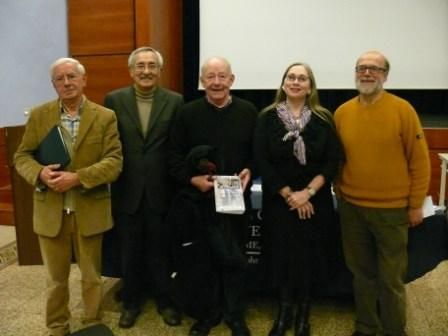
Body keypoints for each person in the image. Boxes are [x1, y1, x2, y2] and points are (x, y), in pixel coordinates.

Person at [14, 57, 123, 336]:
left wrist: (78, 178)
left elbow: (114, 161)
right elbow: (22, 156)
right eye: (60, 79)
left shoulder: (104, 116)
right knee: (55, 279)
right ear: (53, 85)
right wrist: (39, 174)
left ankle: (92, 324)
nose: (67, 83)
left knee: (91, 278)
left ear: (84, 80)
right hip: (51, 212)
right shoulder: (39, 115)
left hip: (90, 210)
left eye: (72, 76)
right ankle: (57, 327)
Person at [334, 50, 431, 336]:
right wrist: (340, 190)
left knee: (390, 280)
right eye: (361, 68)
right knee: (361, 275)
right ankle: (366, 327)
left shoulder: (403, 110)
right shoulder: (342, 112)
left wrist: (415, 205)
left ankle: (393, 330)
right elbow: (338, 159)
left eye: (374, 69)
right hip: (351, 209)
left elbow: (420, 161)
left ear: (385, 75)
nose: (366, 73)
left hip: (392, 211)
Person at [168, 57, 257, 336]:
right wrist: (192, 179)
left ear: (232, 80)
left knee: (234, 259)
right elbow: (172, 156)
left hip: (235, 199)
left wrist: (249, 171)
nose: (216, 82)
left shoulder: (249, 111)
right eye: (210, 76)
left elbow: (258, 152)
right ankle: (208, 315)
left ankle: (234, 315)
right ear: (202, 81)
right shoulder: (186, 113)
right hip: (199, 201)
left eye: (222, 76)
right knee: (203, 261)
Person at [254, 63, 342, 336]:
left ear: (310, 86)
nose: (295, 82)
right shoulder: (266, 117)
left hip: (315, 202)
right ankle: (284, 311)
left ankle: (304, 313)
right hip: (280, 202)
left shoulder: (324, 118)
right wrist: (290, 194)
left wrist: (308, 193)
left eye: (302, 78)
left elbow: (332, 162)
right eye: (290, 77)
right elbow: (261, 160)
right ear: (283, 84)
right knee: (281, 256)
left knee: (309, 257)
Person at [103, 46, 183, 328]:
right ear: (131, 70)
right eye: (141, 66)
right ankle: (131, 303)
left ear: (160, 71)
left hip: (163, 190)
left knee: (162, 251)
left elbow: (177, 147)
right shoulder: (113, 100)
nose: (146, 71)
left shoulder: (175, 101)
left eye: (152, 66)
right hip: (128, 190)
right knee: (129, 251)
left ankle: (165, 301)